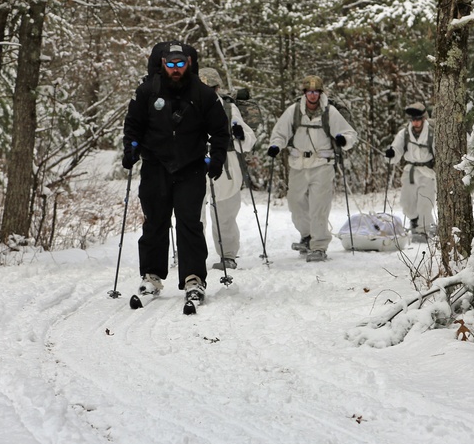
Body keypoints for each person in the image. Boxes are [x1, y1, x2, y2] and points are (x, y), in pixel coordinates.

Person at [122, 42, 229, 306]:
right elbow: (133, 125)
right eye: (171, 64)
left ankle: (194, 279)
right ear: (162, 64)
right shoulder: (147, 91)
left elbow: (219, 131)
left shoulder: (204, 94)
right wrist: (130, 149)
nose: (176, 69)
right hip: (155, 166)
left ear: (189, 64)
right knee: (155, 222)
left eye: (181, 63)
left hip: (190, 167)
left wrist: (216, 159)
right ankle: (152, 276)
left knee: (190, 223)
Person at [266, 75, 357, 262]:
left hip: (322, 164)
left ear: (320, 93)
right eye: (309, 92)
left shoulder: (329, 112)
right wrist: (276, 145)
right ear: (304, 93)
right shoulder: (294, 111)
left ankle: (319, 245)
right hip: (298, 163)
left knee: (319, 206)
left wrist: (343, 140)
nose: (313, 95)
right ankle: (307, 235)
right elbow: (280, 132)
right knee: (294, 202)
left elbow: (349, 133)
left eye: (316, 92)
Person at [198, 68, 257, 270]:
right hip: (194, 163)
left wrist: (240, 135)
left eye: (211, 88)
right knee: (191, 214)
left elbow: (248, 142)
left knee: (225, 213)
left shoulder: (230, 109)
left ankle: (228, 255)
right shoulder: (185, 107)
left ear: (218, 88)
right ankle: (193, 255)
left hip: (226, 165)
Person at [385, 102, 436, 243]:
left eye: (418, 119)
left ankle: (424, 230)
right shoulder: (404, 133)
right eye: (413, 120)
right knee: (407, 203)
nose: (415, 122)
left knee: (425, 203)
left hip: (428, 172)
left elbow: (438, 152)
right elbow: (396, 148)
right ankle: (414, 222)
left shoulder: (432, 132)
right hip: (410, 172)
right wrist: (391, 153)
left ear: (424, 118)